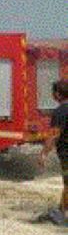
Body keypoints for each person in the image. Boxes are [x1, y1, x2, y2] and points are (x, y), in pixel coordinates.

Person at [38, 79, 68, 218]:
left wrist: (44, 154)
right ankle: (61, 210)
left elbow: (53, 136)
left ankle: (61, 213)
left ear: (57, 94)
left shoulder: (60, 111)